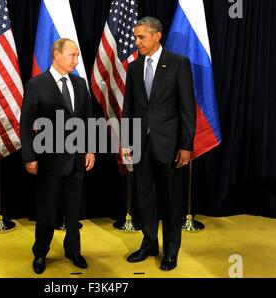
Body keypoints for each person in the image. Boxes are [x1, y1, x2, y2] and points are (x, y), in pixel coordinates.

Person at [121, 17, 196, 271]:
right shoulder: (134, 67)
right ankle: (149, 243)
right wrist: (126, 141)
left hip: (170, 146)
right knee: (145, 197)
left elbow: (187, 109)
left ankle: (171, 251)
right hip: (141, 145)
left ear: (157, 36)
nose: (137, 41)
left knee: (172, 201)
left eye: (141, 37)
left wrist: (186, 145)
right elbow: (128, 109)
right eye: (136, 37)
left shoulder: (178, 64)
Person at [20, 38, 95, 274]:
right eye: (72, 55)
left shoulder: (80, 84)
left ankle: (73, 250)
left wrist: (90, 148)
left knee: (74, 209)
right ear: (56, 55)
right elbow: (26, 124)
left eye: (77, 55)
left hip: (76, 160)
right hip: (48, 160)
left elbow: (88, 120)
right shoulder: (36, 84)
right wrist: (30, 157)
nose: (76, 60)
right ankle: (40, 253)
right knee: (47, 210)